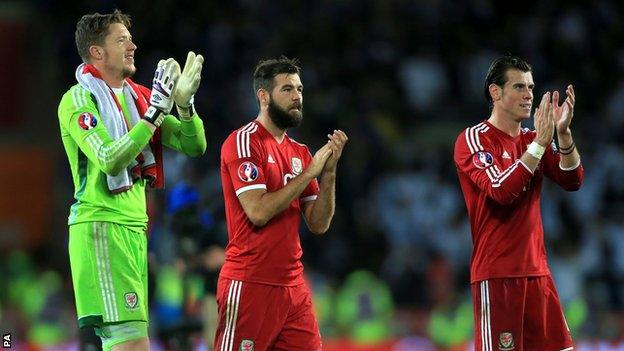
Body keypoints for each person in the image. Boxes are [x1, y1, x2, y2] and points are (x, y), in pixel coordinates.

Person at [58, 9, 206, 350]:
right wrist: (154, 113)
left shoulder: (137, 98)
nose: (133, 46)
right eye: (122, 40)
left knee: (129, 344)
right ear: (97, 52)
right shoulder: (78, 99)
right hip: (101, 228)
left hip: (135, 231)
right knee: (131, 345)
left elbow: (193, 144)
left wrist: (184, 106)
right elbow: (110, 160)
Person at [216, 57, 348, 351]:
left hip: (293, 287)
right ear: (263, 96)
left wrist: (328, 173)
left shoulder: (300, 152)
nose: (297, 96)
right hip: (250, 282)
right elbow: (258, 211)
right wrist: (309, 173)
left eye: (299, 89)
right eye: (287, 89)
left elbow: (319, 223)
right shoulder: (243, 142)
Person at [453, 55, 583, 350]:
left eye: (531, 87)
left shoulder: (531, 139)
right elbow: (499, 190)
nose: (529, 96)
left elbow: (572, 180)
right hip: (498, 276)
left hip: (538, 273)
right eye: (519, 87)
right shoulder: (474, 139)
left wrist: (562, 134)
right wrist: (539, 144)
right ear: (495, 92)